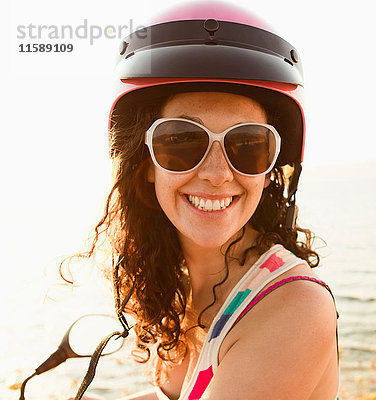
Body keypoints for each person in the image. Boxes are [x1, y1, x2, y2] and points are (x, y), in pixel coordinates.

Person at [71, 2, 340, 399]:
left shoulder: (294, 307)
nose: (217, 173)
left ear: (268, 172)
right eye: (181, 141)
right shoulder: (178, 286)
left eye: (248, 145)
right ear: (146, 164)